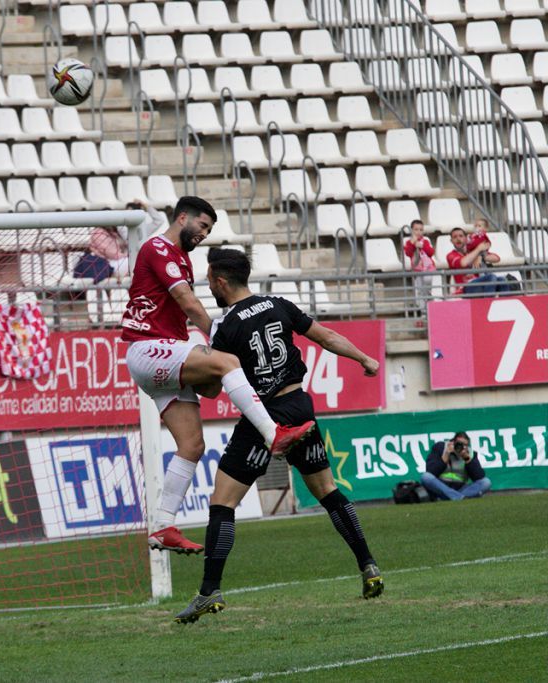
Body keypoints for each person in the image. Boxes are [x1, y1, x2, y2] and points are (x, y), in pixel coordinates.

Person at [172, 248, 383, 624]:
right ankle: (368, 566)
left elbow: (213, 388)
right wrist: (364, 359)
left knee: (222, 504)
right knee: (329, 494)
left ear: (221, 281)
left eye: (209, 281)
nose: (209, 286)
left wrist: (187, 376)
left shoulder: (226, 326)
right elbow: (326, 336)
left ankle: (209, 591)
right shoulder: (279, 304)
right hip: (299, 408)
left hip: (263, 418)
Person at [119, 196, 315, 556]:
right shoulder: (159, 248)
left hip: (161, 357)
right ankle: (273, 434)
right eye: (203, 226)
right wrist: (227, 339)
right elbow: (190, 305)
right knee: (226, 362)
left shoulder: (177, 257)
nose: (205, 235)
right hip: (148, 348)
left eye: (209, 229)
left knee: (193, 445)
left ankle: (162, 525)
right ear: (182, 218)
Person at [421, 432, 492, 501]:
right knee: (426, 476)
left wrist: (467, 459)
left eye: (465, 445)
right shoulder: (440, 448)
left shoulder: (470, 453)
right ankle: (458, 497)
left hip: (461, 488)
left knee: (486, 482)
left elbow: (479, 476)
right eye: (459, 444)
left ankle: (455, 497)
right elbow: (431, 471)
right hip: (442, 487)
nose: (462, 447)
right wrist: (445, 456)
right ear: (452, 442)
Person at [445, 226, 511, 296]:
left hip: (480, 283)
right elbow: (463, 263)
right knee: (491, 277)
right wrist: (478, 249)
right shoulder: (451, 255)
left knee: (502, 280)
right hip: (465, 288)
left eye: (461, 236)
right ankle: (487, 304)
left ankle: (504, 305)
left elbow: (497, 258)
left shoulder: (473, 252)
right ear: (451, 241)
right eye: (455, 237)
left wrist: (481, 256)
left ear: (466, 238)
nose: (458, 239)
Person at [403, 219, 437, 305]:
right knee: (420, 290)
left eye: (421, 230)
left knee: (427, 280)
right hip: (418, 269)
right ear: (411, 230)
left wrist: (422, 246)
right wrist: (412, 243)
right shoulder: (408, 242)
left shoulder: (425, 241)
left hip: (428, 268)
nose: (419, 232)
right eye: (416, 229)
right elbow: (408, 253)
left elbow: (431, 252)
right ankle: (424, 311)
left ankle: (429, 298)